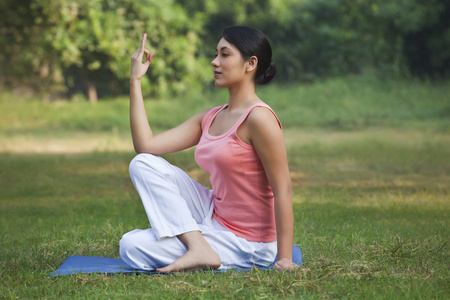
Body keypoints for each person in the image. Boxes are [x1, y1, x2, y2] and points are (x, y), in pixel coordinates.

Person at [120, 26, 297, 272]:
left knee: (132, 246)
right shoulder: (211, 116)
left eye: (225, 54)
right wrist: (135, 81)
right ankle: (198, 246)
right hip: (214, 215)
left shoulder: (259, 119)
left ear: (250, 63)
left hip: (247, 241)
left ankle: (203, 248)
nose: (214, 62)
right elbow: (146, 145)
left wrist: (285, 258)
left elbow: (283, 189)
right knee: (142, 163)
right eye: (216, 54)